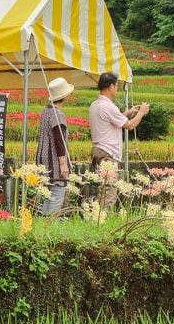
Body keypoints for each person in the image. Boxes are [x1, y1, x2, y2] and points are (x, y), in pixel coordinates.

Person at [88, 72, 148, 210]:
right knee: (109, 191)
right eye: (116, 86)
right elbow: (130, 125)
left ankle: (99, 216)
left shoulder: (95, 105)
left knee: (103, 188)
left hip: (98, 151)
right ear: (111, 86)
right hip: (107, 153)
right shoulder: (109, 106)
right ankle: (104, 218)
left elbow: (111, 120)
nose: (117, 89)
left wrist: (128, 112)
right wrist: (141, 113)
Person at [34, 76, 74, 216]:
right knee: (57, 192)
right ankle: (50, 223)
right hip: (54, 161)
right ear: (65, 96)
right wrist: (63, 164)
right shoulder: (58, 115)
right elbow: (59, 140)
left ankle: (43, 223)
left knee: (48, 194)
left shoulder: (46, 111)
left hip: (42, 159)